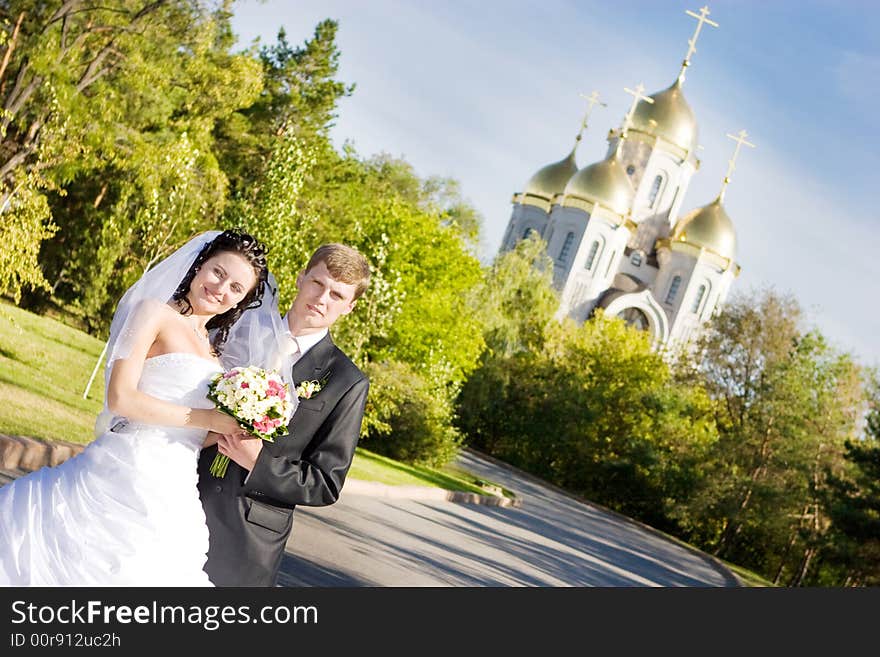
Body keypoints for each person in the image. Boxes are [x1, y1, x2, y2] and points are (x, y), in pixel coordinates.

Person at [0, 229, 274, 586]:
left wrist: (231, 428)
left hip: (175, 486)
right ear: (200, 264)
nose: (221, 289)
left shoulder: (213, 352)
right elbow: (122, 398)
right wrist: (207, 417)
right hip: (126, 468)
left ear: (241, 301)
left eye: (236, 288)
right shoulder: (154, 313)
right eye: (218, 272)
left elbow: (193, 431)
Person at [197, 243, 371, 587]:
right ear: (301, 277)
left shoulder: (346, 382)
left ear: (349, 308)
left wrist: (258, 462)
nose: (322, 298)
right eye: (318, 283)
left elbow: (325, 483)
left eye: (336, 295)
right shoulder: (233, 330)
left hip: (248, 535)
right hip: (182, 490)